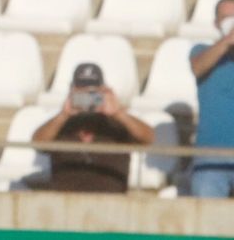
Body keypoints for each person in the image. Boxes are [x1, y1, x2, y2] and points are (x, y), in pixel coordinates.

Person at [32, 63, 155, 194]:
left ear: (104, 91)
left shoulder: (117, 124)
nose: (88, 97)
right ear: (72, 91)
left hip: (111, 204)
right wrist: (63, 115)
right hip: (66, 204)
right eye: (82, 91)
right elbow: (37, 143)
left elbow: (148, 138)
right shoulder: (61, 125)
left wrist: (118, 113)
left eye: (93, 92)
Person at [190, 0, 234, 197]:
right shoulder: (201, 51)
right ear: (216, 23)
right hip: (210, 159)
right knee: (207, 225)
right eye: (226, 18)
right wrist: (226, 42)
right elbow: (198, 67)